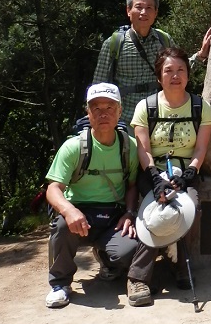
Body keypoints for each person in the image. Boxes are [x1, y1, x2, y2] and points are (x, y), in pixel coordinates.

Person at [126, 46, 211, 306]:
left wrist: (189, 174)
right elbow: (143, 150)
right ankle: (138, 277)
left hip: (186, 172)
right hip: (151, 171)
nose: (175, 76)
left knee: (191, 205)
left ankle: (178, 262)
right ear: (159, 76)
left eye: (180, 70)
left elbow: (200, 149)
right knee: (157, 207)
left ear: (188, 74)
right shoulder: (146, 107)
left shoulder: (201, 106)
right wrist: (156, 179)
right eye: (168, 71)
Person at [45, 83, 140, 308]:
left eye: (110, 107)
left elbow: (132, 185)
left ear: (119, 111)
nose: (103, 113)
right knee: (60, 227)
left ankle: (107, 259)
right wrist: (69, 211)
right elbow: (53, 188)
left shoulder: (130, 148)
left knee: (130, 250)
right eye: (96, 108)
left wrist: (129, 213)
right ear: (88, 113)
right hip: (79, 216)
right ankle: (60, 283)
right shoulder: (73, 147)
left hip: (112, 218)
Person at [93, 0, 211, 126]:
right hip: (124, 121)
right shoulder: (114, 43)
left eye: (149, 8)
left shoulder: (163, 40)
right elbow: (98, 86)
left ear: (155, 13)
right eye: (138, 7)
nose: (144, 12)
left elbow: (180, 71)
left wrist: (201, 55)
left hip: (159, 118)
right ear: (128, 11)